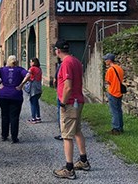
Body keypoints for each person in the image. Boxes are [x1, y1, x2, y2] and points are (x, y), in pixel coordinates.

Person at [52, 39, 91, 180]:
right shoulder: (75, 61)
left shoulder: (66, 63)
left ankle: (69, 169)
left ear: (57, 50)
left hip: (69, 103)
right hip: (78, 101)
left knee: (67, 136)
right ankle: (83, 160)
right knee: (77, 131)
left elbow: (68, 86)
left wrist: (62, 103)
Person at [0, 55, 30, 143]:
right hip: (16, 95)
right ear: (16, 61)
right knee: (14, 116)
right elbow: (28, 75)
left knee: (4, 115)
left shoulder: (3, 69)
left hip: (3, 95)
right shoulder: (20, 69)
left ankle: (4, 135)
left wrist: (0, 82)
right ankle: (14, 137)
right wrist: (21, 85)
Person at [103, 53, 125, 135]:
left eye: (106, 60)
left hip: (112, 92)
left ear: (109, 60)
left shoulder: (110, 70)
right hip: (119, 91)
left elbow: (108, 81)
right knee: (119, 110)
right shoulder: (119, 68)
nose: (105, 61)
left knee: (114, 111)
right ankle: (120, 127)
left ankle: (116, 128)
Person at [27, 57, 43, 124]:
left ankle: (33, 118)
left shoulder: (32, 68)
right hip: (38, 86)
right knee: (36, 103)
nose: (30, 63)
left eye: (31, 62)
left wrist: (27, 80)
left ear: (34, 62)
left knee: (32, 103)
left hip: (33, 86)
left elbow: (27, 75)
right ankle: (38, 117)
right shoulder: (39, 69)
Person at [53, 58, 63, 140]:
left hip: (62, 94)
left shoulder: (61, 66)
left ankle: (63, 132)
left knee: (61, 113)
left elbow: (55, 79)